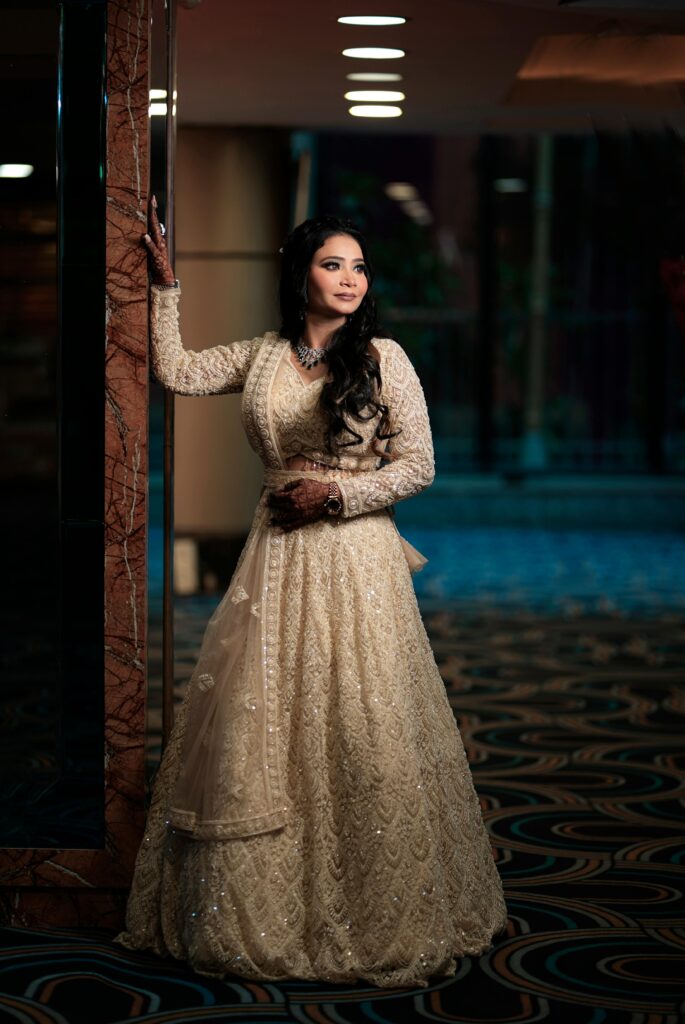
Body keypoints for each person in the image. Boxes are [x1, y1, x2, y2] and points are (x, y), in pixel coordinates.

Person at [115, 200, 507, 988]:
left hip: (358, 560)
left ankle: (382, 909)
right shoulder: (261, 356)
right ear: (301, 275)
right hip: (278, 563)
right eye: (334, 264)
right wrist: (166, 288)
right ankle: (261, 907)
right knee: (268, 717)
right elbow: (177, 370)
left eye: (360, 267)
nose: (350, 279)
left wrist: (335, 498)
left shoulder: (384, 358)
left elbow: (418, 465)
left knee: (362, 718)